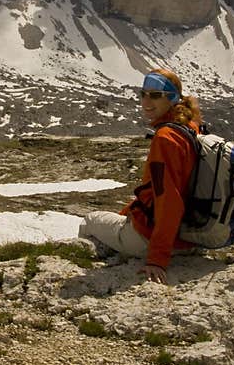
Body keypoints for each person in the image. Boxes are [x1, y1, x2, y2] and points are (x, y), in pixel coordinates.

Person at [78, 67, 202, 285]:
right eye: (143, 94)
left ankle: (97, 258)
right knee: (121, 214)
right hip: (189, 238)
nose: (146, 101)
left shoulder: (165, 138)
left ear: (172, 98)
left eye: (155, 95)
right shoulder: (191, 127)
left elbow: (169, 200)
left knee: (90, 220)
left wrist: (157, 260)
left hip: (148, 239)